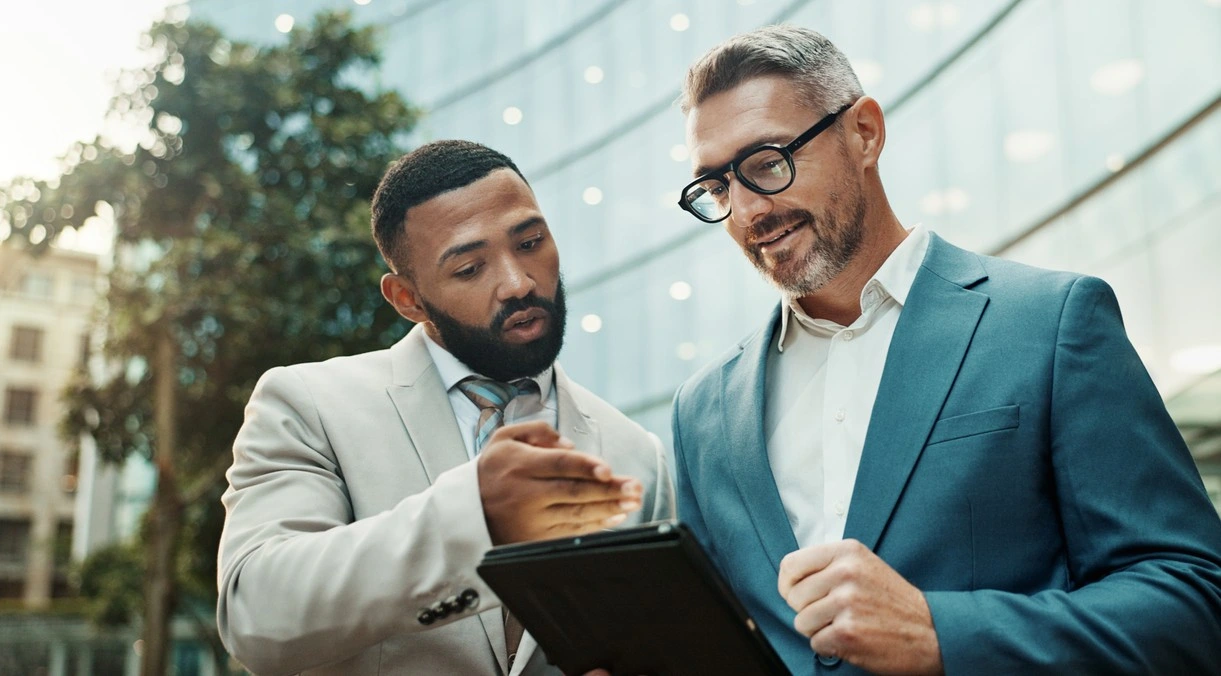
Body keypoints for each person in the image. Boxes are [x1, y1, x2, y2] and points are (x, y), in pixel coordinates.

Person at [669, 24, 1221, 675]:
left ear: (864, 133)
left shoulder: (1051, 323)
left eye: (765, 163)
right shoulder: (702, 411)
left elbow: (1191, 600)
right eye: (716, 187)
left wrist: (942, 634)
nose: (743, 212)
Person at [216, 140, 675, 676]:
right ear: (407, 299)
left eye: (530, 242)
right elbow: (257, 617)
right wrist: (477, 518)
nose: (518, 282)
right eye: (469, 269)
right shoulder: (307, 405)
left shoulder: (638, 454)